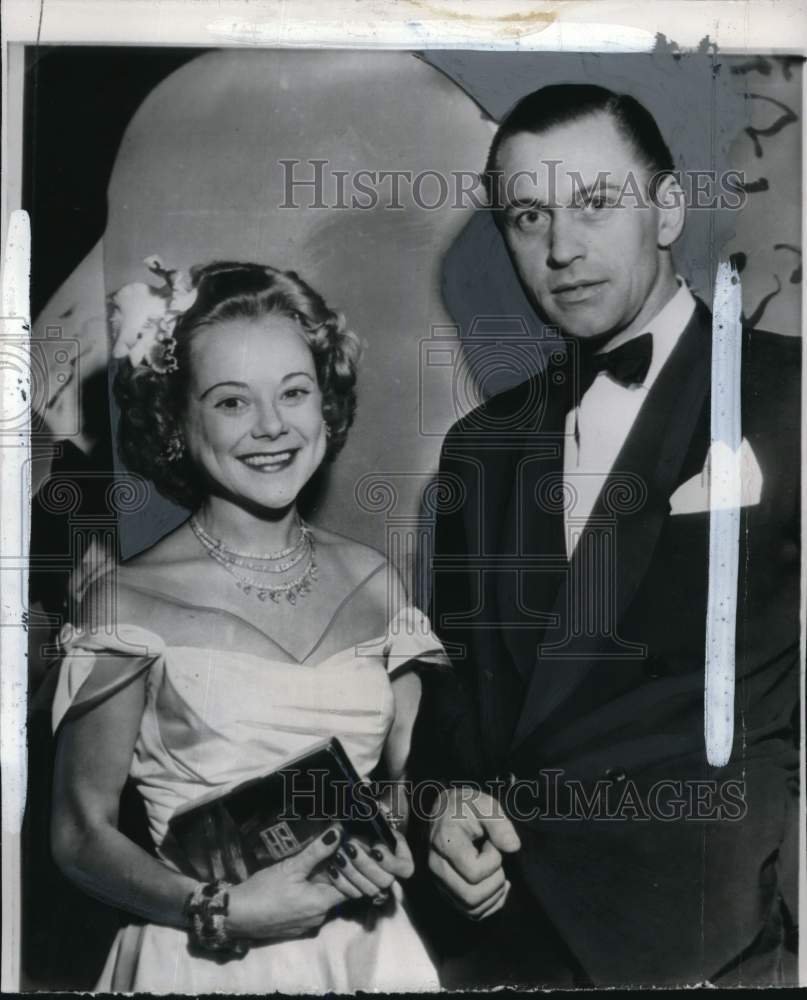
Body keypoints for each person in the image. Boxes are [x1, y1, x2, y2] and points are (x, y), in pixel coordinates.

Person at [409, 85, 801, 987]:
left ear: (666, 211)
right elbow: (455, 697)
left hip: (714, 948)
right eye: (528, 216)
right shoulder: (478, 448)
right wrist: (441, 805)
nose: (560, 249)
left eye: (593, 203)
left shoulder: (792, 395)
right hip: (508, 943)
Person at [50, 258, 445, 993]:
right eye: (232, 402)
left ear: (325, 402)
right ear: (176, 419)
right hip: (200, 962)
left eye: (294, 392)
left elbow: (413, 781)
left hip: (367, 953)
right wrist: (220, 910)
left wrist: (398, 837)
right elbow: (79, 835)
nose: (272, 426)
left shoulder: (375, 581)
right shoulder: (125, 602)